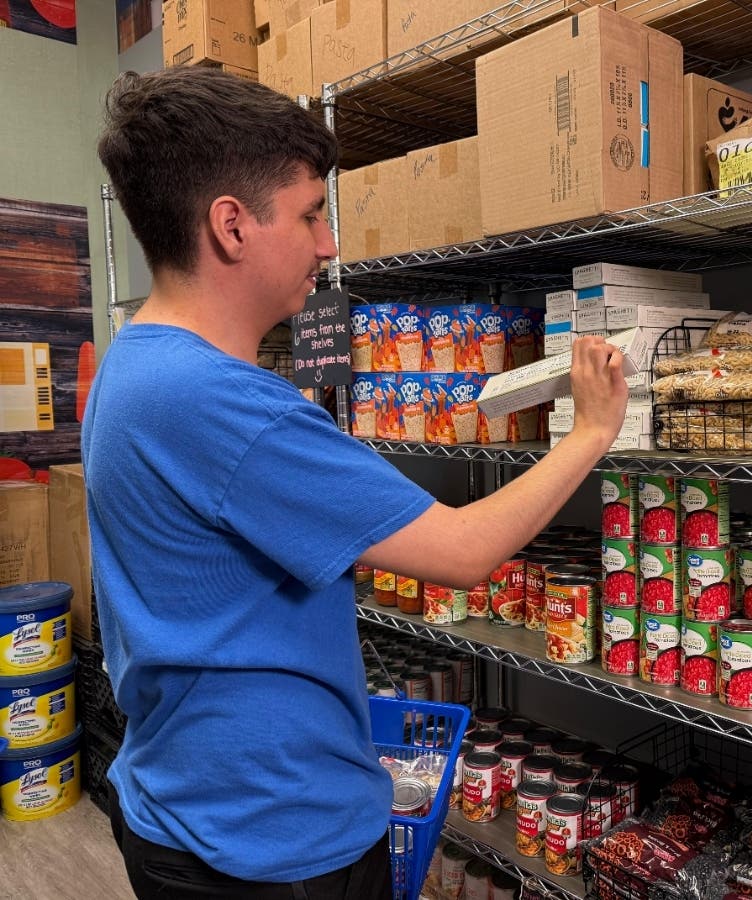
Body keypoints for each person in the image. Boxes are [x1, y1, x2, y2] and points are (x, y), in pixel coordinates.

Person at [86, 67, 628, 899]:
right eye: (309, 214)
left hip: (182, 802)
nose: (328, 243)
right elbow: (464, 550)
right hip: (273, 840)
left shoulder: (136, 362)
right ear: (231, 225)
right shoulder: (227, 405)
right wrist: (592, 429)